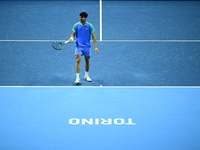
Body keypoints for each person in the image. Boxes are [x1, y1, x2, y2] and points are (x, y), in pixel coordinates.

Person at [68, 12, 99, 84]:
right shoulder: (76, 25)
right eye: (80, 17)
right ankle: (77, 77)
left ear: (85, 18)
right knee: (78, 60)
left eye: (81, 17)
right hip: (78, 46)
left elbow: (93, 36)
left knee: (87, 61)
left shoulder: (90, 26)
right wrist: (71, 39)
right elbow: (73, 34)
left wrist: (96, 47)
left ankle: (86, 75)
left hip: (87, 46)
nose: (80, 18)